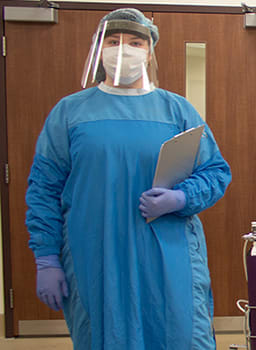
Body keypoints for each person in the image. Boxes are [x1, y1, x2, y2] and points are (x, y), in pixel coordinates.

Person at [26, 8, 231, 349]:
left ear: (149, 51)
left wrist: (181, 198)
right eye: (113, 41)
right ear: (98, 48)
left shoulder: (176, 111)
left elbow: (215, 171)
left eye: (135, 42)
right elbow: (44, 188)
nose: (124, 49)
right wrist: (46, 257)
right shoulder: (70, 112)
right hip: (94, 255)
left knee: (178, 335)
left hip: (168, 255)